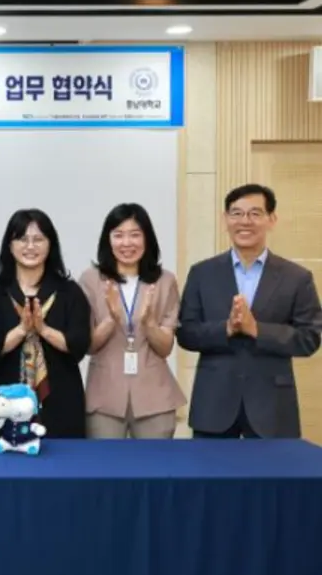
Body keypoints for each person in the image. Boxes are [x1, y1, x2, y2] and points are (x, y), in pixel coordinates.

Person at [177, 183, 322, 438]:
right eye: (237, 213)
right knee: (210, 466)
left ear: (271, 219)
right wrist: (226, 329)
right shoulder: (202, 273)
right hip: (214, 404)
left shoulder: (297, 278)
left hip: (273, 406)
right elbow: (186, 333)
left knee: (273, 467)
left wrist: (257, 330)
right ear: (225, 219)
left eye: (255, 213)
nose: (245, 221)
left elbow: (310, 338)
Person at [79, 203, 186, 439]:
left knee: (156, 462)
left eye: (135, 235)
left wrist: (148, 322)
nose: (127, 243)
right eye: (118, 235)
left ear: (147, 238)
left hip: (154, 397)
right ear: (108, 240)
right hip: (104, 396)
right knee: (104, 462)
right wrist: (112, 319)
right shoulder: (90, 280)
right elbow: (88, 346)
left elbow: (165, 348)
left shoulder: (165, 281)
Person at [0, 209, 91, 438]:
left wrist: (43, 330)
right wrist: (22, 330)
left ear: (50, 245)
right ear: (9, 245)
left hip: (61, 399)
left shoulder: (69, 291)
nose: (30, 246)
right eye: (22, 239)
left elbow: (79, 345)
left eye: (38, 239)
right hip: (8, 399)